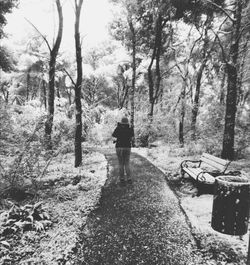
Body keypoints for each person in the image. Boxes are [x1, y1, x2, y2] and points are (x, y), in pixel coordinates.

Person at [112, 117, 134, 186]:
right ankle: (129, 178)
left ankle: (122, 179)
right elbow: (132, 137)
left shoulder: (118, 128)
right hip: (127, 147)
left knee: (121, 163)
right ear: (127, 123)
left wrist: (118, 127)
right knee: (127, 163)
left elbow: (113, 135)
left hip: (119, 147)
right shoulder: (130, 129)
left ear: (121, 122)